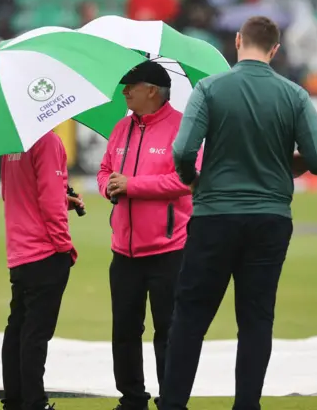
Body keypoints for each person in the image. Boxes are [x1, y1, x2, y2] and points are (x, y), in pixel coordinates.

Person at [158, 16, 317, 410]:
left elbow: (183, 150)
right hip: (270, 217)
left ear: (238, 41)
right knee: (255, 318)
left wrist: (193, 179)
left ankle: (173, 404)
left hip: (215, 213)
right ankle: (246, 405)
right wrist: (289, 163)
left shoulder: (210, 88)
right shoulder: (294, 95)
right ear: (275, 49)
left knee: (190, 317)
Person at [97, 60, 203, 410]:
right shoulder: (120, 128)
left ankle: (171, 400)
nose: (124, 91)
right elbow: (105, 170)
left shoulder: (182, 129)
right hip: (123, 250)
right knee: (124, 331)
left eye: (131, 85)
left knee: (169, 332)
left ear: (152, 91)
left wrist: (133, 186)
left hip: (169, 249)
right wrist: (108, 187)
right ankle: (131, 399)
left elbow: (187, 180)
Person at [0, 131, 85, 410]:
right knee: (36, 334)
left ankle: (14, 400)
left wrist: (63, 199)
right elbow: (49, 200)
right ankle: (35, 403)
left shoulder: (11, 143)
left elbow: (11, 194)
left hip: (19, 251)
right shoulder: (47, 140)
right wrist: (64, 246)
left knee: (18, 329)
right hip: (44, 252)